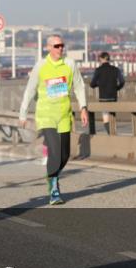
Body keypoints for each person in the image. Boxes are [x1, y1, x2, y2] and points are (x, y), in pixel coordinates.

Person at [18, 34, 88, 205]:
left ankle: (52, 175)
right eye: (56, 46)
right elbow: (30, 90)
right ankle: (54, 188)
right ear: (48, 48)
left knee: (64, 155)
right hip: (46, 115)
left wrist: (83, 107)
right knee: (55, 151)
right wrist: (23, 113)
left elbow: (79, 86)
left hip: (64, 115)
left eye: (62, 45)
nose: (60, 48)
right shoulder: (40, 66)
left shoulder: (70, 64)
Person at [90, 51, 124, 135]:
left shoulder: (98, 70)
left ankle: (111, 134)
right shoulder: (116, 70)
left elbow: (92, 84)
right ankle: (113, 133)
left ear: (101, 59)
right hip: (113, 97)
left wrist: (99, 84)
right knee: (112, 116)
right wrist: (117, 88)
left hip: (103, 98)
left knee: (106, 118)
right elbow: (122, 81)